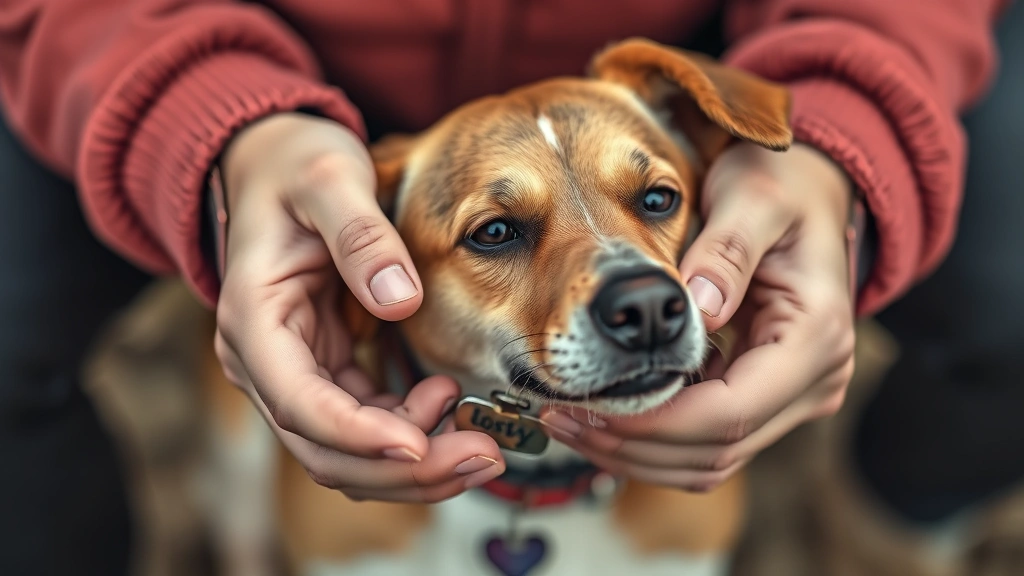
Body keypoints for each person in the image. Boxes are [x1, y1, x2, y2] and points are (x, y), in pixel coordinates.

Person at [0, 1, 1013, 574]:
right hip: (249, 65)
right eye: (498, 232)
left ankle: (894, 524)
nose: (635, 290)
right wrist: (216, 122)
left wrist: (837, 140)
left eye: (654, 201)